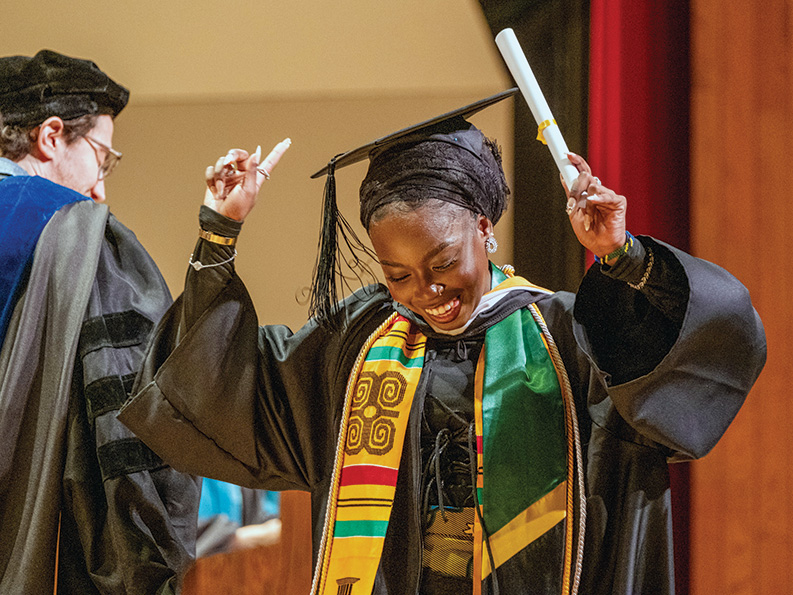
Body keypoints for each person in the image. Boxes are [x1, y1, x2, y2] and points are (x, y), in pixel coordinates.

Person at [119, 90, 766, 595]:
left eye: (441, 261)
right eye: (396, 275)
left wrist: (622, 256)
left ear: (484, 230)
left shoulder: (564, 336)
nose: (425, 289)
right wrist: (218, 232)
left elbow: (696, 358)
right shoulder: (361, 339)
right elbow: (224, 393)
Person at [0, 50, 198, 594]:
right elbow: (133, 432)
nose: (100, 186)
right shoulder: (78, 240)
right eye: (101, 156)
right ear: (51, 135)